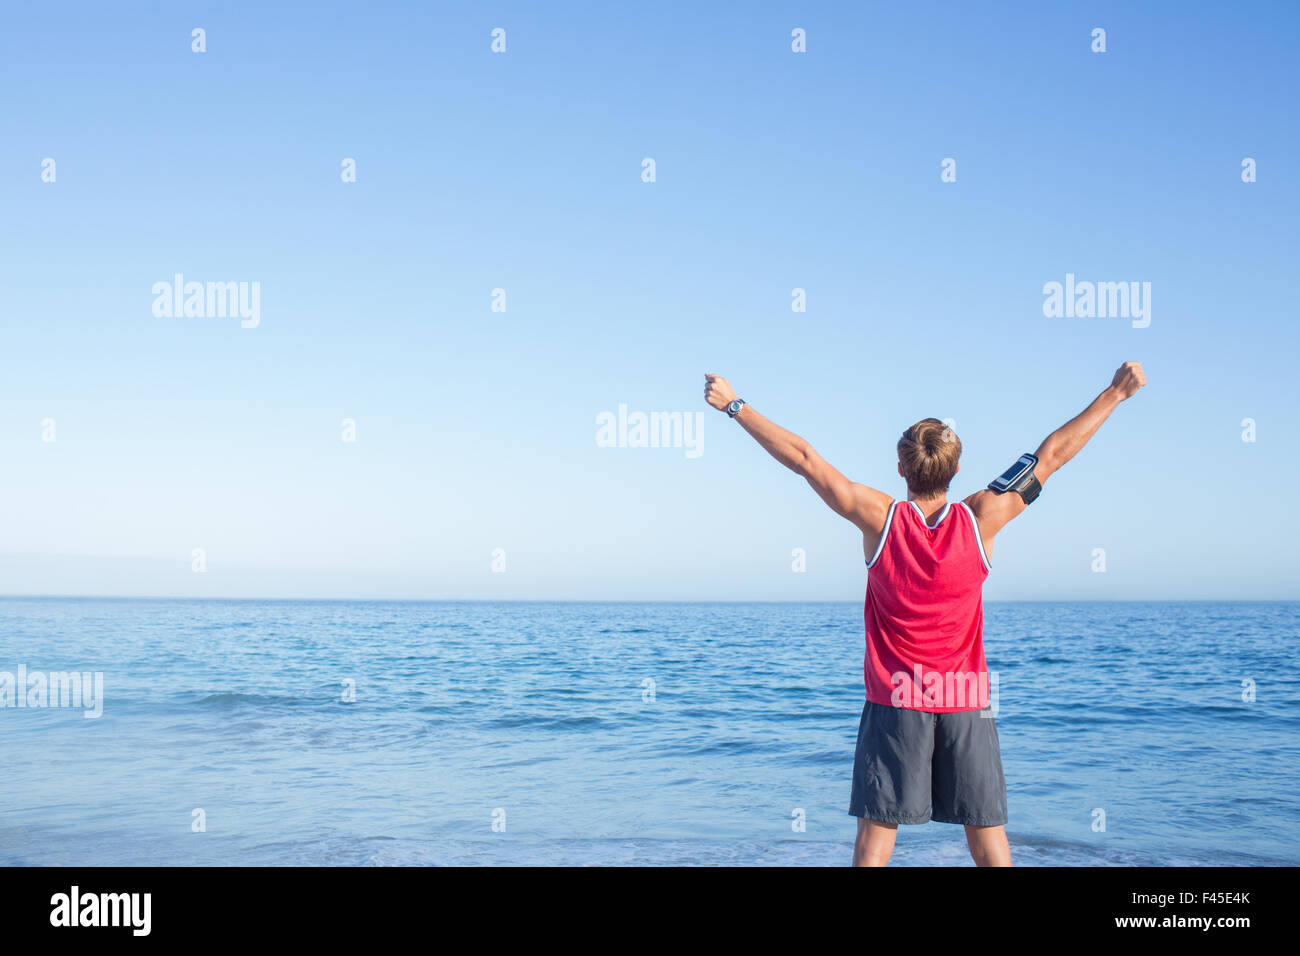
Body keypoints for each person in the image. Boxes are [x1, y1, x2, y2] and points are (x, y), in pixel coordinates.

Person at [703, 361, 1147, 866]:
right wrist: (1115, 393)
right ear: (956, 471)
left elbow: (805, 459)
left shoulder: (877, 518)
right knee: (987, 834)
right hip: (966, 703)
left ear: (901, 470)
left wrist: (736, 407)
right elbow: (1051, 457)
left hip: (896, 702)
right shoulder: (983, 517)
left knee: (877, 835)